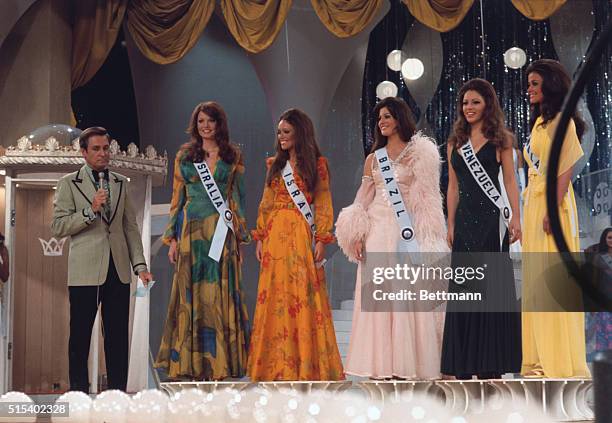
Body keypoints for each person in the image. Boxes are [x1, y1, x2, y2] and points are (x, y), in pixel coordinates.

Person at [336, 97, 447, 379]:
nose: (382, 122)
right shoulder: (374, 158)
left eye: (387, 116)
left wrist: (428, 238)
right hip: (376, 233)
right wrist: (356, 232)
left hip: (406, 234)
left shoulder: (418, 153)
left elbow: (428, 200)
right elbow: (364, 196)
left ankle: (406, 365)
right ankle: (380, 365)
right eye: (379, 118)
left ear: (399, 118)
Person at [51, 126, 153, 393]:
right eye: (96, 149)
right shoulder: (68, 183)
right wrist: (90, 210)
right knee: (80, 337)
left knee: (118, 336)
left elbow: (129, 227)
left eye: (106, 148)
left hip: (117, 269)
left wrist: (140, 266)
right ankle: (78, 393)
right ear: (84, 152)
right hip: (84, 271)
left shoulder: (121, 182)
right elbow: (59, 226)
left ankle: (118, 393)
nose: (103, 153)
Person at [155, 102, 251, 381]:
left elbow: (238, 200)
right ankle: (190, 363)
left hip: (222, 231)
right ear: (195, 125)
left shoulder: (233, 156)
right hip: (193, 233)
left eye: (210, 121)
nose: (205, 126)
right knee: (192, 295)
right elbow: (177, 199)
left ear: (220, 123)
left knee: (217, 294)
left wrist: (240, 238)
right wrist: (171, 238)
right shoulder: (185, 156)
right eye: (200, 122)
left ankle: (219, 363)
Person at [248, 108, 343, 381]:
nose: (281, 137)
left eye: (286, 132)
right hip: (275, 235)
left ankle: (304, 365)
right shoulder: (273, 165)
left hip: (301, 235)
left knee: (301, 295)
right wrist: (261, 235)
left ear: (300, 133)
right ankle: (275, 365)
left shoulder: (317, 164)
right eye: (279, 133)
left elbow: (323, 203)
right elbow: (265, 203)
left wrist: (322, 237)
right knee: (275, 296)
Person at [441, 78, 522, 379]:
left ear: (488, 103)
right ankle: (464, 364)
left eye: (475, 101)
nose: (469, 107)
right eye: (465, 103)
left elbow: (511, 181)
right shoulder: (454, 142)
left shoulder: (502, 139)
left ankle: (490, 364)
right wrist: (450, 222)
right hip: (464, 223)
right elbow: (452, 187)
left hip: (491, 222)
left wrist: (515, 217)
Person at [521, 59, 590, 378]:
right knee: (536, 282)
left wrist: (552, 204)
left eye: (535, 83)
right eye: (529, 83)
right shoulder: (538, 123)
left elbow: (566, 167)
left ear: (550, 84)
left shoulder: (564, 121)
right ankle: (537, 360)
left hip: (554, 204)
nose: (530, 89)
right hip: (533, 203)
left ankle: (558, 360)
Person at [585, 227, 612, 362]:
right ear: (604, 239)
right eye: (609, 238)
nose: (611, 241)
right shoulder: (599, 258)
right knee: (603, 330)